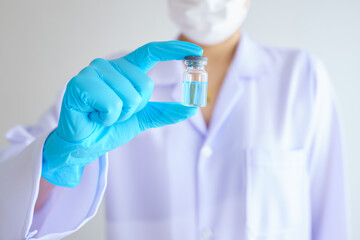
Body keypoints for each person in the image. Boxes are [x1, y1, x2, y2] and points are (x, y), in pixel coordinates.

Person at [0, 0, 348, 239]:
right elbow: (9, 206)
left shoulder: (301, 78)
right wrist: (55, 160)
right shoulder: (113, 84)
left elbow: (332, 223)